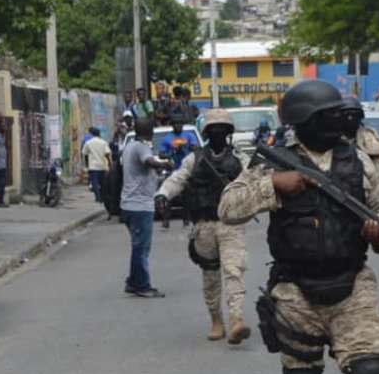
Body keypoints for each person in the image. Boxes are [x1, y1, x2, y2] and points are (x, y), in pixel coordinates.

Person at [219, 79, 379, 374]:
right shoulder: (274, 162)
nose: (338, 121)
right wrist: (275, 186)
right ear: (305, 121)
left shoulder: (356, 160)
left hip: (352, 286)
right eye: (328, 116)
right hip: (295, 290)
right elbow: (228, 207)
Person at [156, 109, 252, 343]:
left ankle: (236, 319)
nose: (218, 133)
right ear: (207, 132)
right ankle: (216, 320)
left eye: (223, 129)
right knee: (210, 275)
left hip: (231, 224)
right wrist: (163, 194)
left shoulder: (240, 159)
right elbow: (178, 178)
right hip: (204, 225)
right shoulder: (195, 159)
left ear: (229, 133)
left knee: (233, 271)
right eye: (214, 129)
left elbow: (256, 183)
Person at [121, 118, 169, 297]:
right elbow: (149, 162)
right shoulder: (141, 147)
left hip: (129, 204)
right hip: (139, 205)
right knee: (141, 248)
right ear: (151, 131)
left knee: (137, 246)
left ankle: (134, 282)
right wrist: (163, 164)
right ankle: (142, 285)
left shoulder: (130, 147)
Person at [339, 96, 379, 191]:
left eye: (353, 114)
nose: (350, 118)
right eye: (346, 114)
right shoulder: (332, 138)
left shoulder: (369, 139)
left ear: (360, 116)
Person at [81, 127, 111, 203]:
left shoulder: (88, 143)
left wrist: (87, 164)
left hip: (93, 166)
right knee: (102, 183)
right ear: (99, 134)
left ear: (92, 134)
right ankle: (101, 197)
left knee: (94, 182)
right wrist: (110, 164)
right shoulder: (103, 142)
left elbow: (85, 154)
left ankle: (97, 197)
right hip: (101, 166)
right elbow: (107, 154)